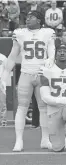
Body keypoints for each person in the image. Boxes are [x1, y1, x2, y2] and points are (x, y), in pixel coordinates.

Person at [0, 11, 56, 152]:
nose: (28, 19)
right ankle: (19, 141)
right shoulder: (20, 33)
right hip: (25, 73)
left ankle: (45, 139)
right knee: (21, 108)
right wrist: (4, 75)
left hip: (41, 74)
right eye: (28, 17)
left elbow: (52, 51)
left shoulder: (48, 32)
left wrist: (50, 61)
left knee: (44, 109)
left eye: (31, 17)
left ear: (39, 19)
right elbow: (13, 56)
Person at [0, 53, 7, 126]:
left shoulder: (3, 57)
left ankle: (3, 121)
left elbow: (8, 69)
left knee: (2, 102)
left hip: (1, 81)